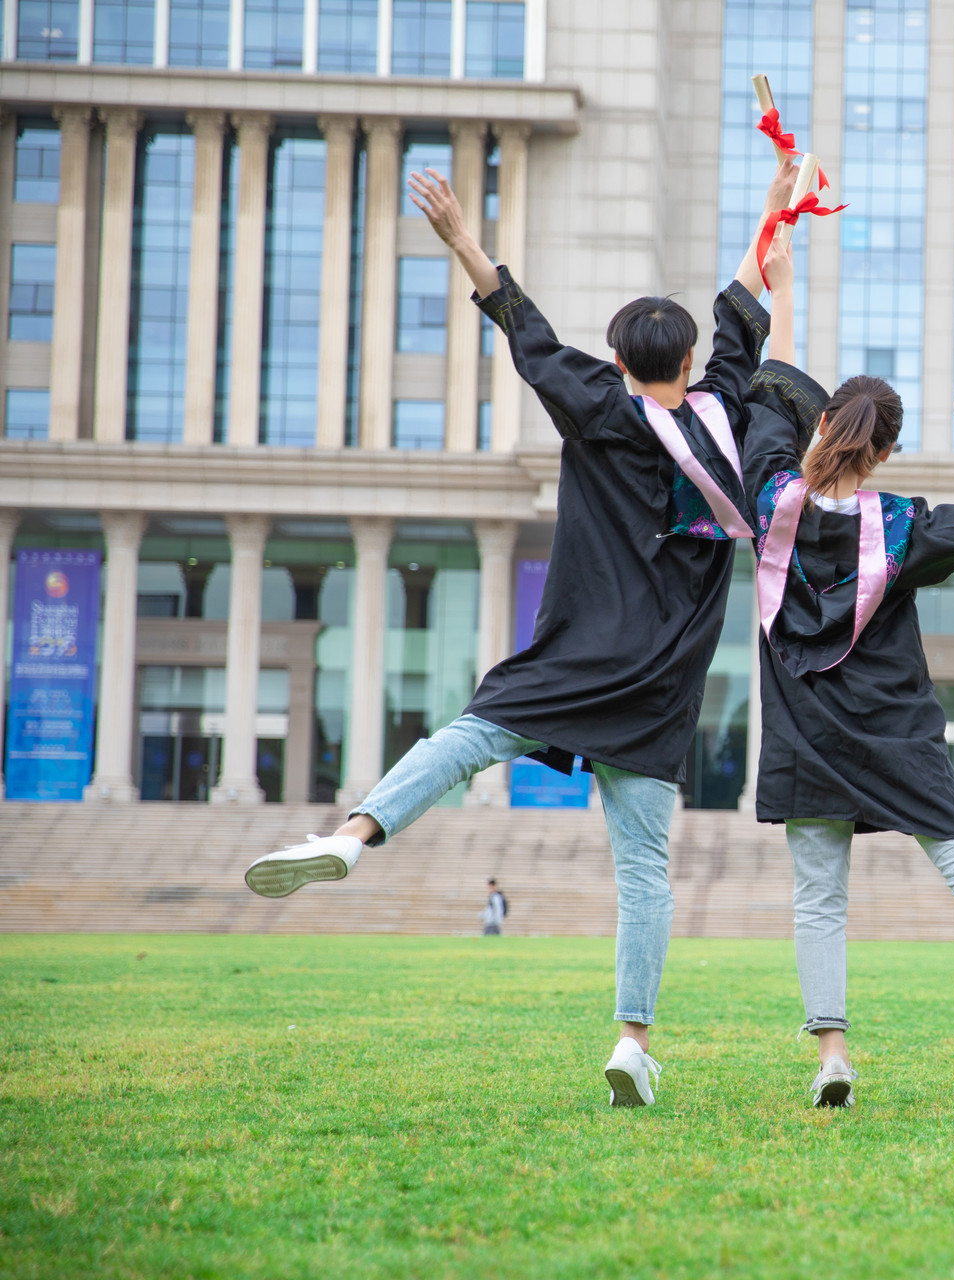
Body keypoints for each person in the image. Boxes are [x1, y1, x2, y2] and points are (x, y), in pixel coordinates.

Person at [242, 158, 803, 1111]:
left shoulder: (596, 406)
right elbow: (743, 324)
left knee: (467, 740)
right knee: (644, 872)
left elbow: (525, 327)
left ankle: (353, 831)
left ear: (620, 364)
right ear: (685, 363)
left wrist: (463, 236)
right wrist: (776, 210)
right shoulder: (724, 420)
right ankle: (633, 1039)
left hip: (578, 651)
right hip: (662, 679)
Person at [742, 238, 954, 1109]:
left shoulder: (769, 496)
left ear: (821, 429)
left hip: (806, 726)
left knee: (818, 895)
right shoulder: (904, 526)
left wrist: (789, 289)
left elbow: (774, 388)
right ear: (882, 455)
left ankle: (833, 1054)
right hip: (892, 723)